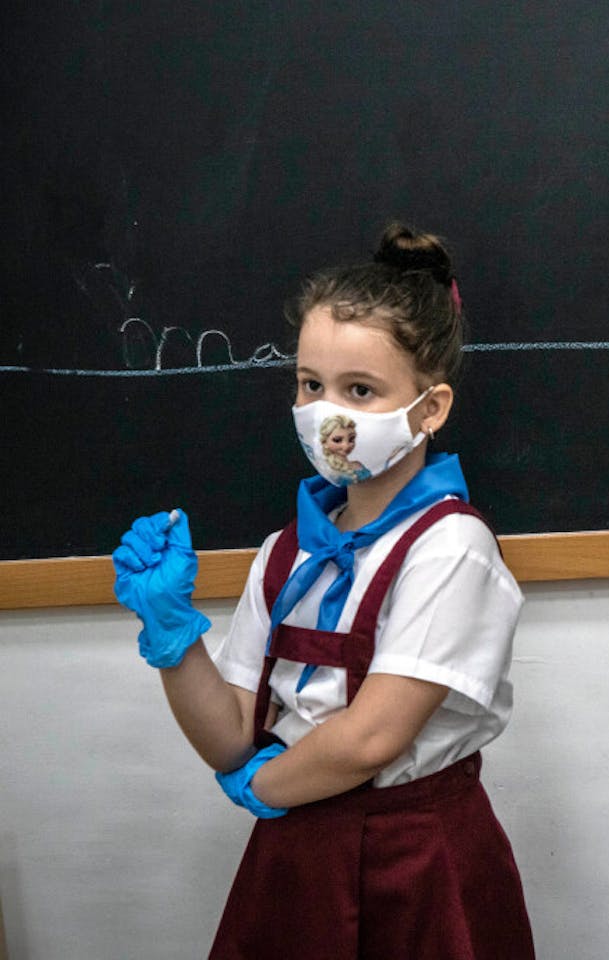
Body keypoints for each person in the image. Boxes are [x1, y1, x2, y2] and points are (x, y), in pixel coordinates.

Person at [112, 223, 535, 959]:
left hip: (414, 857)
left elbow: (372, 737)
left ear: (429, 409)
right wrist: (172, 635)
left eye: (360, 390)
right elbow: (231, 733)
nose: (326, 415)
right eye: (311, 385)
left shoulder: (450, 550)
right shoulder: (286, 552)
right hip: (296, 855)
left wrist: (262, 787)